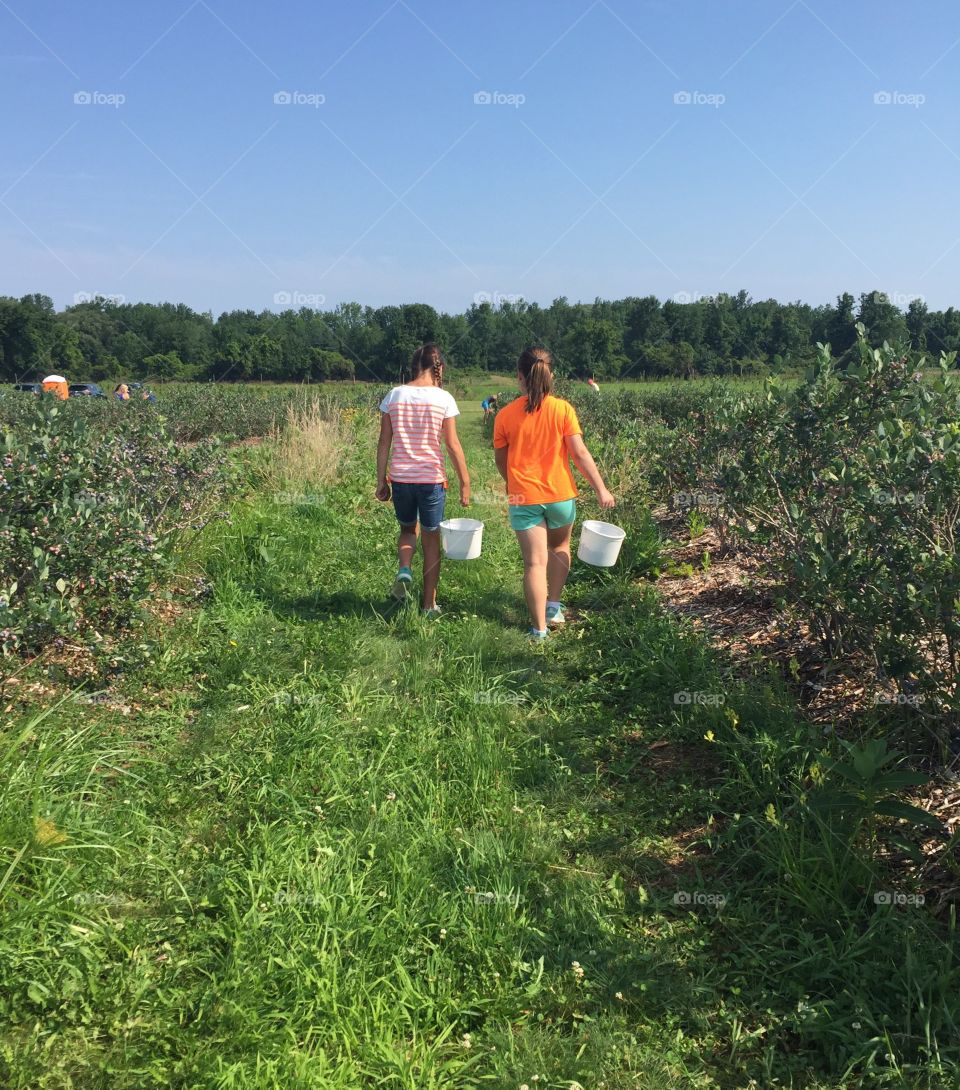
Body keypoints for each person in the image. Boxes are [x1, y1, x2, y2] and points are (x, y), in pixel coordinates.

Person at [494, 347, 614, 640]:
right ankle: (554, 606)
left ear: (519, 377)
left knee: (534, 563)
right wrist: (601, 488)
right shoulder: (563, 410)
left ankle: (539, 631)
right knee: (559, 549)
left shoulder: (505, 416)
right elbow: (579, 453)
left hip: (524, 497)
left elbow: (502, 460)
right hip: (560, 496)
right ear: (552, 375)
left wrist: (513, 484)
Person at [376, 344, 470, 615]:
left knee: (407, 530)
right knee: (431, 540)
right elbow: (452, 444)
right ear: (437, 367)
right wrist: (465, 482)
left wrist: (381, 480)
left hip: (401, 480)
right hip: (431, 480)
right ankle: (429, 605)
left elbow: (384, 443)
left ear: (414, 366)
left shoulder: (393, 395)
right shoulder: (444, 398)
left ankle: (405, 569)